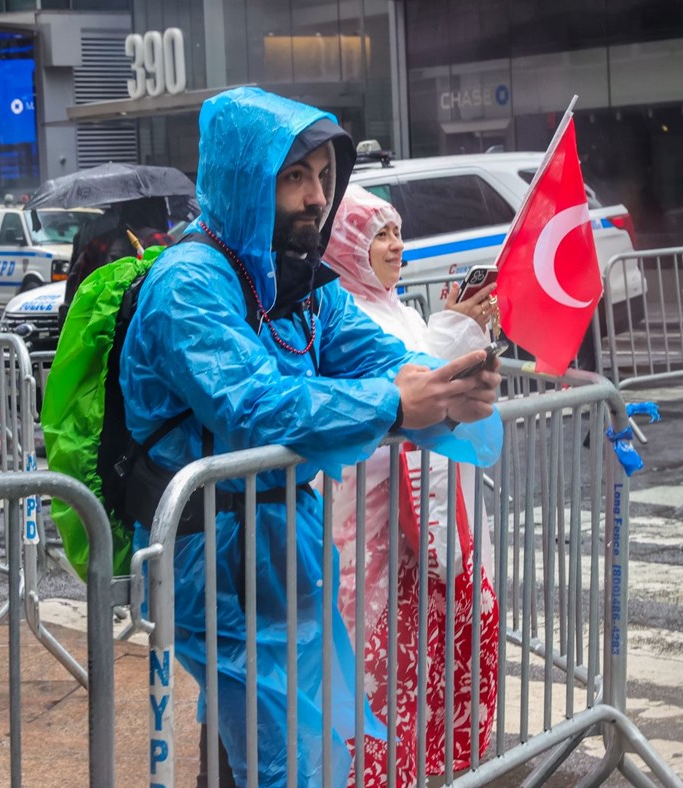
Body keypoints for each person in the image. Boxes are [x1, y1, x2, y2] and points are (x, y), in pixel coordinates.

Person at [120, 87, 503, 787]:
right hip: (218, 561)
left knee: (310, 747)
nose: (315, 197)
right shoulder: (189, 284)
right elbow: (253, 403)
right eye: (294, 176)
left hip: (291, 548)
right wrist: (394, 402)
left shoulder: (299, 281)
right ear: (245, 178)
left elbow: (380, 360)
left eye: (324, 177)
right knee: (286, 761)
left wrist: (449, 386)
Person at [323, 185, 500, 785]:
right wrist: (451, 329)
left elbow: (431, 384)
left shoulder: (398, 308)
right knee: (373, 667)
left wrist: (463, 332)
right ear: (347, 244)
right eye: (380, 234)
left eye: (398, 232)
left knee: (418, 661)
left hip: (418, 530)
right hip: (365, 533)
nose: (396, 246)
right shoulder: (337, 311)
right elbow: (409, 381)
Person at [61, 196, 172, 322]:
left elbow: (77, 292)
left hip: (99, 329)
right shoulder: (162, 242)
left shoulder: (97, 244)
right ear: (158, 211)